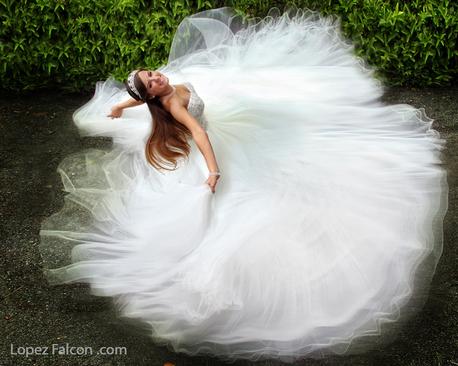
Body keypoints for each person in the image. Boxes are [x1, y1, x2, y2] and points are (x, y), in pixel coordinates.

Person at [39, 7, 449, 363]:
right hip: (219, 139)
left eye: (152, 72)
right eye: (153, 81)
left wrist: (119, 105)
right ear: (155, 97)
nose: (158, 76)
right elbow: (199, 134)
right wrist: (213, 171)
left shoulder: (157, 91)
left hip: (227, 118)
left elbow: (139, 98)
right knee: (260, 191)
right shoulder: (173, 105)